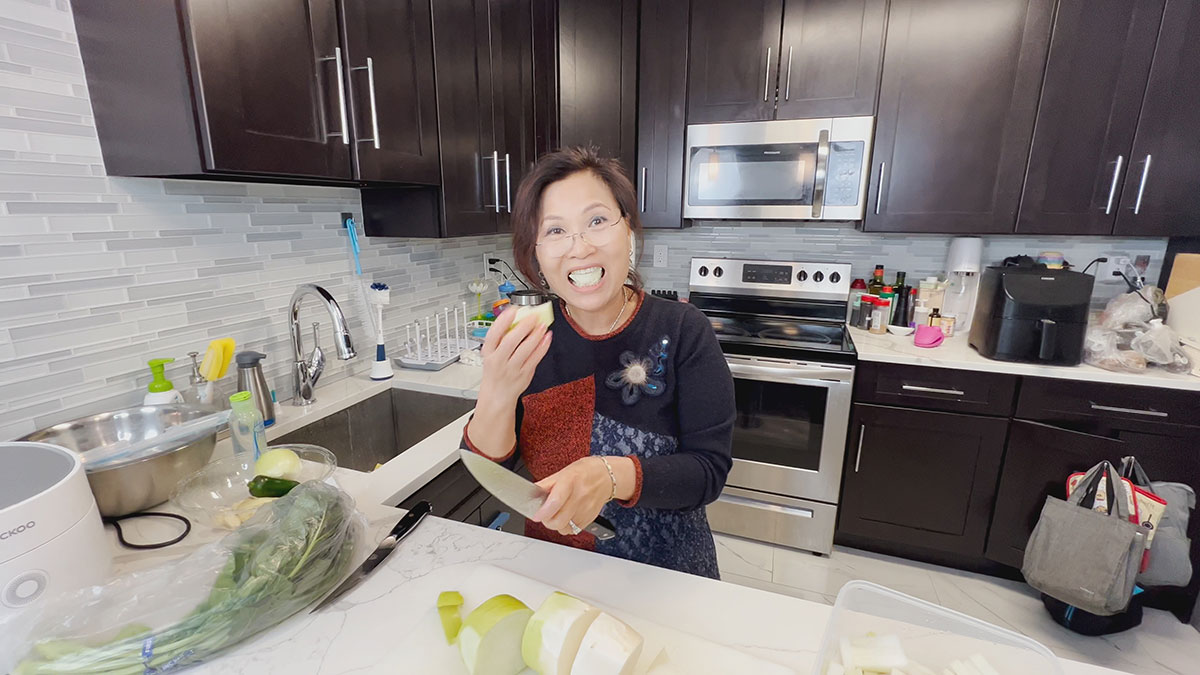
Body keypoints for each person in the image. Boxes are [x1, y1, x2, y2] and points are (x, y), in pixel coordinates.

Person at [461, 147, 735, 578]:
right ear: (536, 255)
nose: (579, 247)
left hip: (669, 577)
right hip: (556, 573)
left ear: (628, 229)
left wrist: (608, 475)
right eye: (555, 230)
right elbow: (491, 469)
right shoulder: (530, 337)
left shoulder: (683, 329)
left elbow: (708, 471)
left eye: (596, 221)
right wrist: (496, 389)